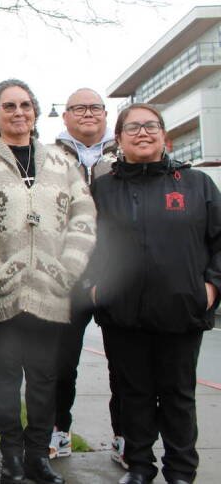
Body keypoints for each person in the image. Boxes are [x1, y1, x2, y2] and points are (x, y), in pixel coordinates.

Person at [88, 103, 220, 484]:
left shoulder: (196, 185)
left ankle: (181, 470)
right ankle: (140, 466)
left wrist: (211, 288)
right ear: (119, 139)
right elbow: (81, 244)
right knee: (134, 395)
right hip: (122, 313)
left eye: (150, 126)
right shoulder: (103, 189)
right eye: (133, 127)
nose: (142, 133)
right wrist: (94, 287)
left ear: (165, 135)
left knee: (179, 396)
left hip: (182, 311)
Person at [0, 79, 96, 484]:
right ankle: (9, 455)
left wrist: (68, 268)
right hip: (2, 294)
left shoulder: (62, 163)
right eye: (8, 105)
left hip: (51, 290)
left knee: (46, 380)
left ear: (34, 111)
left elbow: (84, 217)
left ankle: (37, 457)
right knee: (4, 380)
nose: (18, 112)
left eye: (25, 105)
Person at [49, 88, 121, 462]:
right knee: (61, 363)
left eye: (95, 107)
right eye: (79, 107)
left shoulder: (126, 151)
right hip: (67, 274)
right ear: (65, 116)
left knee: (125, 365)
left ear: (106, 114)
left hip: (119, 272)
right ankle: (58, 430)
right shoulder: (48, 157)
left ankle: (125, 436)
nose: (88, 113)